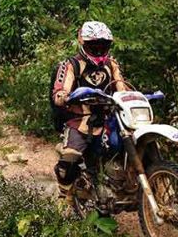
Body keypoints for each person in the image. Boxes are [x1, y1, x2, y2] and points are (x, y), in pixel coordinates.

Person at [52, 21, 128, 206]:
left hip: (109, 119)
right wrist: (64, 96)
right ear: (84, 44)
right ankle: (65, 197)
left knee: (132, 143)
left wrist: (131, 96)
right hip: (80, 120)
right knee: (68, 162)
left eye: (103, 45)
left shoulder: (111, 64)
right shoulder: (71, 65)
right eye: (94, 45)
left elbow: (121, 86)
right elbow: (60, 91)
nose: (99, 49)